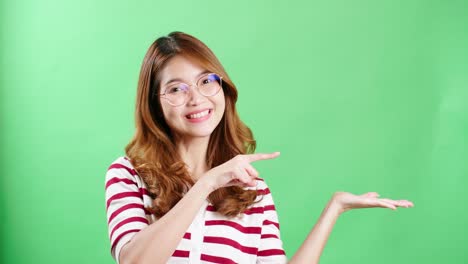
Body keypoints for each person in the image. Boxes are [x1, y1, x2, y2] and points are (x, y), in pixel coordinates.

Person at [104, 31, 414, 264]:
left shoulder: (251, 190)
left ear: (223, 88)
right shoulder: (128, 174)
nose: (196, 98)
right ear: (154, 104)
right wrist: (207, 182)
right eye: (176, 89)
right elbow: (134, 260)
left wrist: (334, 209)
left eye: (206, 82)